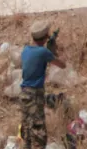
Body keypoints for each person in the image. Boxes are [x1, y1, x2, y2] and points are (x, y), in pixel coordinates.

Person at [20, 20, 66, 149]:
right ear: (45, 37)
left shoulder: (26, 50)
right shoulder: (43, 52)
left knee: (27, 131)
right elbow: (62, 65)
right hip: (35, 95)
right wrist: (53, 50)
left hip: (24, 93)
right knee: (39, 133)